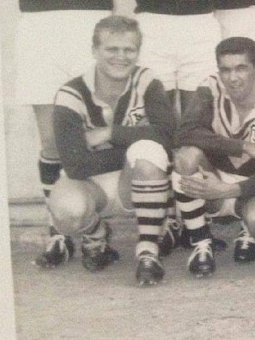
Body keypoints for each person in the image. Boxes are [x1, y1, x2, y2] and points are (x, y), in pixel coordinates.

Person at [0, 0, 126, 268]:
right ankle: (58, 228)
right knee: (52, 139)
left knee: (92, 130)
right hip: (39, 33)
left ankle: (92, 227)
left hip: (88, 30)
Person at [47, 16, 176, 286]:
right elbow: (75, 165)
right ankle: (96, 235)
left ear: (138, 52)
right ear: (95, 51)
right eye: (111, 49)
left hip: (135, 177)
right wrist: (136, 140)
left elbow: (167, 134)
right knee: (66, 211)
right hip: (91, 183)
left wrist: (111, 133)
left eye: (128, 50)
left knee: (148, 150)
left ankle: (148, 252)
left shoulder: (147, 81)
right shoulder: (71, 94)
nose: (121, 57)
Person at [172, 37, 255, 278]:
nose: (232, 78)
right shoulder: (211, 88)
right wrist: (240, 146)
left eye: (241, 68)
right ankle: (200, 242)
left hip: (251, 189)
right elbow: (184, 133)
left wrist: (229, 190)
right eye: (226, 70)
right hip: (214, 178)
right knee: (186, 156)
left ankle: (249, 230)